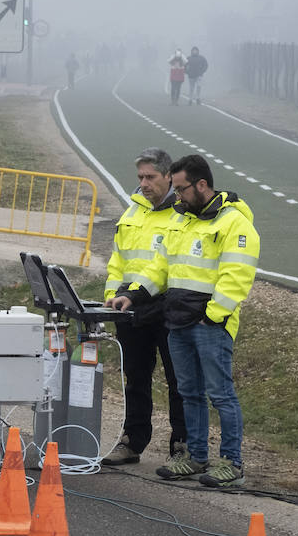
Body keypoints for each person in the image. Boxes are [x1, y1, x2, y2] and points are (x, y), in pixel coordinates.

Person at [111, 154, 260, 488]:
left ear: (202, 185)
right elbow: (160, 268)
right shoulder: (182, 220)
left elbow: (237, 275)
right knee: (189, 392)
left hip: (209, 325)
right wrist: (134, 294)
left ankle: (231, 462)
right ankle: (195, 456)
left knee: (220, 394)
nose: (176, 196)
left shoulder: (233, 223)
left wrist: (213, 316)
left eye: (181, 189)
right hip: (177, 322)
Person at [101, 148, 186, 467]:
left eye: (150, 177)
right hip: (128, 309)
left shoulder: (182, 213)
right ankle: (132, 441)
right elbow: (117, 261)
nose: (144, 183)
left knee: (179, 382)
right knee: (135, 379)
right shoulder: (132, 212)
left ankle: (182, 447)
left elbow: (169, 265)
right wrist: (111, 299)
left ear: (168, 176)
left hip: (166, 308)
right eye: (140, 177)